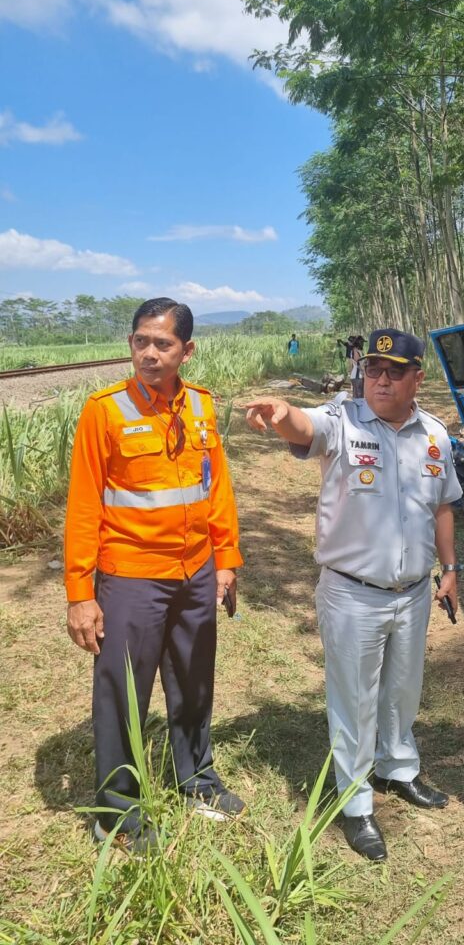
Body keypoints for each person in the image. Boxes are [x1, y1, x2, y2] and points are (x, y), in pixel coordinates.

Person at [245, 328, 462, 861]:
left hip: (412, 592)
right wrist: (280, 412)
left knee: (402, 691)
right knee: (355, 699)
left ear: (418, 377)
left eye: (393, 371)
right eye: (372, 370)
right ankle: (356, 801)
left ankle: (398, 769)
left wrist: (451, 569)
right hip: (352, 593)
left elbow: (442, 507)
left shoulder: (435, 434)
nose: (380, 380)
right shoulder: (342, 421)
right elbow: (304, 426)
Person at [64, 297, 244, 851]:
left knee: (193, 680)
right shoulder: (106, 410)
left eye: (162, 344)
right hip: (131, 574)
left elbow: (215, 489)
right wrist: (80, 592)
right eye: (140, 341)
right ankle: (115, 813)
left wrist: (226, 560)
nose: (148, 353)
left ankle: (196, 778)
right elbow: (83, 504)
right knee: (122, 690)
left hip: (194, 573)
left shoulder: (202, 408)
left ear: (186, 351)